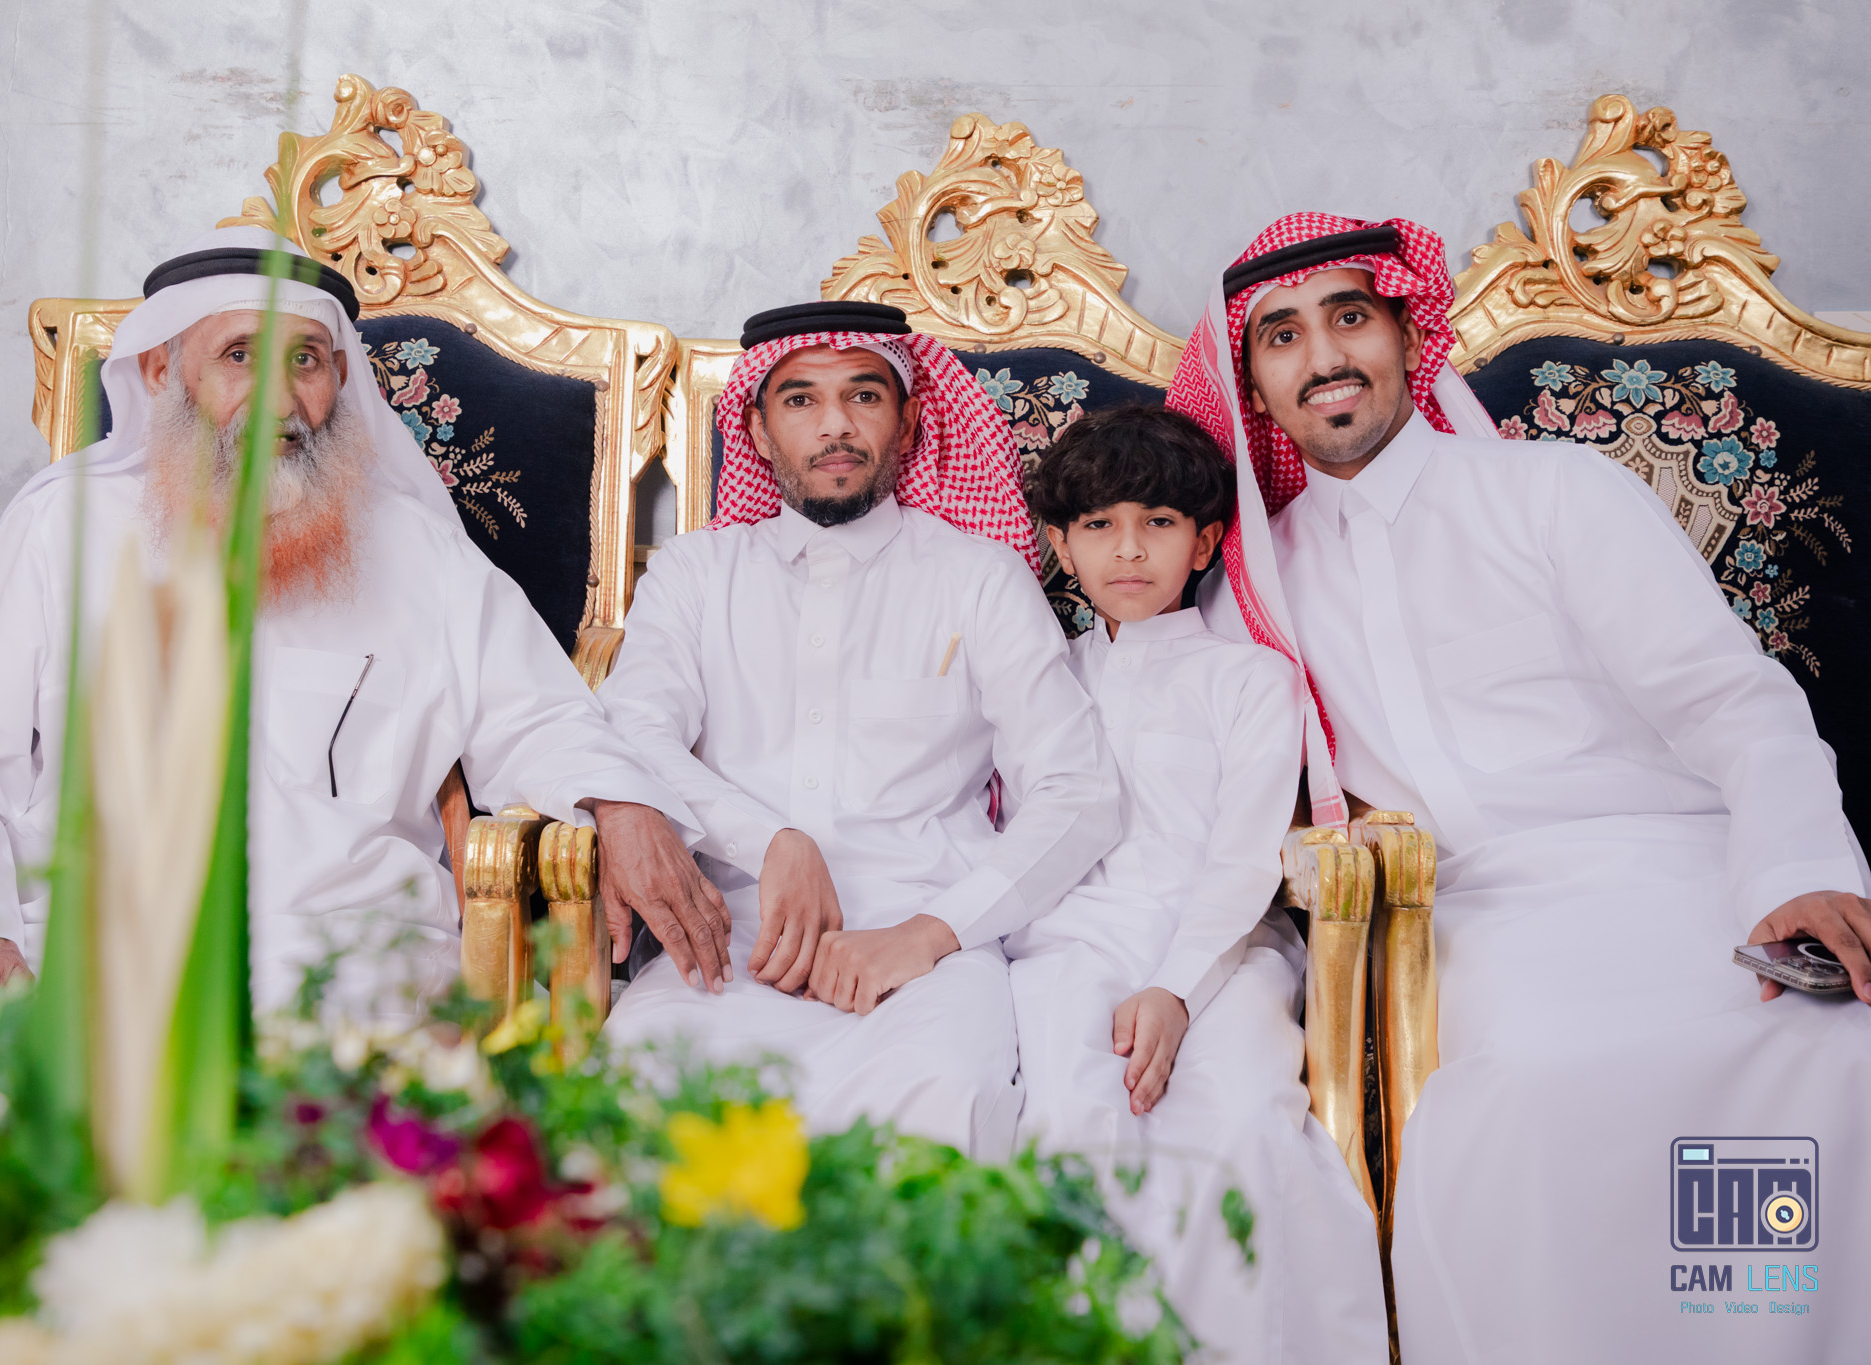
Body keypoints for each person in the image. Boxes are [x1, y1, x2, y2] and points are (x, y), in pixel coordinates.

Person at [1168, 211, 1871, 1364]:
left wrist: (1792, 870)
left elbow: (1728, 699)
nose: (1323, 357)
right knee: (1530, 1093)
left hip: (1676, 869)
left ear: (1408, 336)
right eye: (1281, 336)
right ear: (1251, 386)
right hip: (1468, 915)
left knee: (1827, 1054)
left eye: (1349, 317)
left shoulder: (1553, 493)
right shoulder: (1251, 588)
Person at [0, 226, 725, 1032]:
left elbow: (538, 713)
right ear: (159, 372)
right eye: (239, 355)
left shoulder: (413, 547)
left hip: (345, 957)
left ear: (338, 377)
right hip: (91, 945)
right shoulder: (64, 528)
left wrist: (619, 801)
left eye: (305, 359)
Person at [596, 301, 1117, 1158]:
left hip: (930, 960)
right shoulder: (694, 575)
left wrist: (930, 933)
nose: (834, 424)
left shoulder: (979, 577)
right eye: (800, 399)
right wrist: (772, 841)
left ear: (908, 423)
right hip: (725, 948)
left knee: (943, 1114)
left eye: (864, 395)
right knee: (627, 1111)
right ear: (756, 430)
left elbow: (1078, 790)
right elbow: (632, 736)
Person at [1008, 403, 1387, 1363]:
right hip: (1069, 943)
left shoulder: (1252, 678)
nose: (1130, 549)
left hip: (1228, 947)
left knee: (1245, 1124)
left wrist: (1174, 990)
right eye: (1099, 524)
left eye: (1160, 522)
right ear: (1059, 544)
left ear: (1207, 541)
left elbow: (1243, 858)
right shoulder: (1041, 677)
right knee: (1073, 1119)